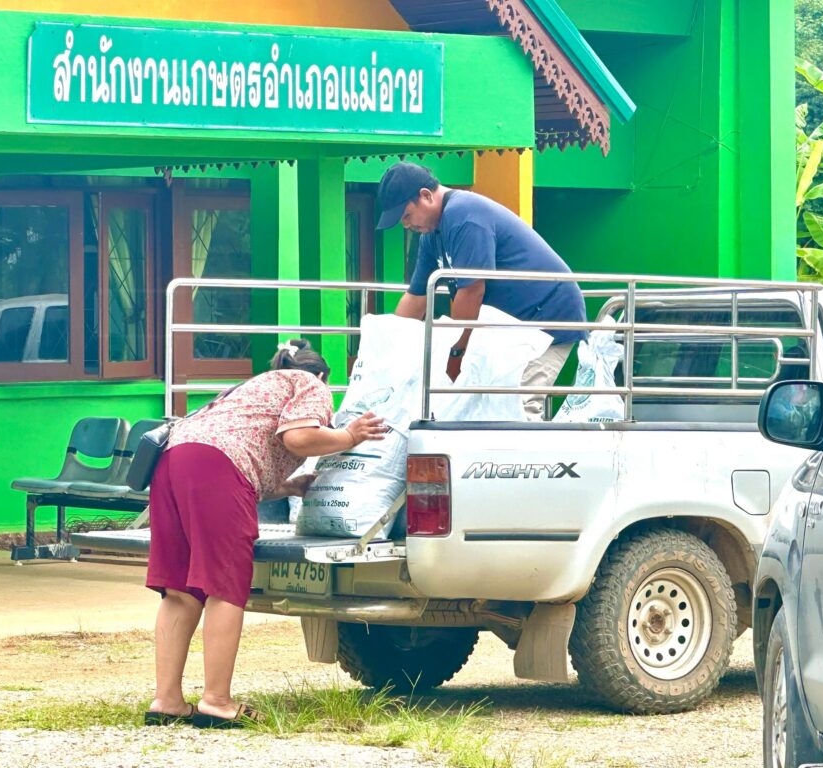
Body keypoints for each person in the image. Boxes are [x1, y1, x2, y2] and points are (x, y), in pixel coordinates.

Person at [143, 340, 387, 729]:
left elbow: (243, 458)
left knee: (179, 590)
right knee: (224, 585)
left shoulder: (250, 388)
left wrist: (288, 487)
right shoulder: (310, 383)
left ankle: (167, 700)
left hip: (171, 461)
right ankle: (217, 701)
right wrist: (350, 436)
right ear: (322, 375)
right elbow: (298, 438)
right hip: (215, 466)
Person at [376, 162, 587, 420]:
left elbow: (471, 290)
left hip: (546, 316)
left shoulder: (464, 216)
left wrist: (456, 353)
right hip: (509, 327)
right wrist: (387, 352)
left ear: (426, 196)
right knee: (482, 407)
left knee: (517, 406)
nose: (406, 225)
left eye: (407, 216)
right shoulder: (431, 234)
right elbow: (416, 296)